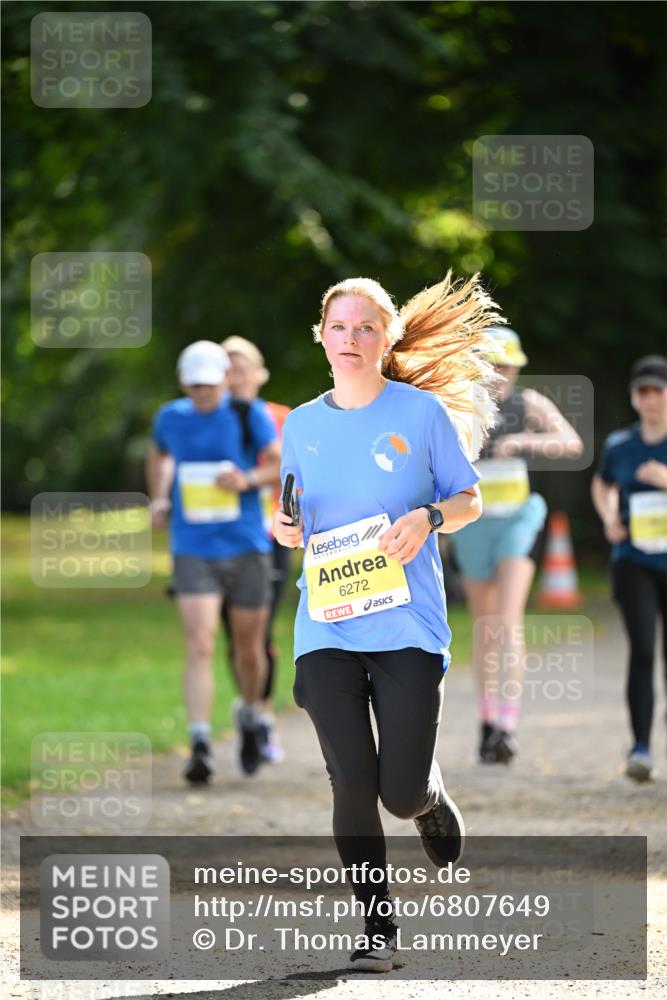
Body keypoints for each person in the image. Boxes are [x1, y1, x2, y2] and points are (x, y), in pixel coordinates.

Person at [273, 272, 500, 973]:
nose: (350, 339)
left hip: (406, 626)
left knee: (395, 793)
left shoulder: (420, 414)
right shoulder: (302, 424)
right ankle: (378, 930)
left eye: (365, 327)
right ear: (321, 336)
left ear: (387, 336)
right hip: (328, 626)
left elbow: (469, 499)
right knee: (351, 780)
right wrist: (282, 529)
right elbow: (290, 513)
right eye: (338, 327)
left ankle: (425, 792)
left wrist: (428, 516)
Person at [147, 341, 281, 783]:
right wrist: (161, 498)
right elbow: (159, 455)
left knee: (249, 648)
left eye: (210, 384)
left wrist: (246, 478)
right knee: (200, 643)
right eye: (196, 386)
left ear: (225, 379)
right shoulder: (171, 417)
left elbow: (278, 467)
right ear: (185, 383)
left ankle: (248, 713)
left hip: (245, 546)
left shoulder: (247, 414)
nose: (204, 393)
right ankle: (200, 741)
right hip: (193, 547)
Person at [450, 327, 583, 765]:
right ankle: (488, 723)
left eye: (509, 366)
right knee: (486, 625)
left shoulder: (528, 403)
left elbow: (571, 442)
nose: (502, 374)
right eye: (494, 365)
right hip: (471, 525)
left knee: (508, 620)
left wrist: (525, 440)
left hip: (518, 522)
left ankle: (508, 723)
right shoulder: (460, 406)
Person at [591, 355, 667, 782]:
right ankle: (640, 749)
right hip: (634, 560)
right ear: (634, 398)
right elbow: (602, 483)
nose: (651, 399)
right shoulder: (621, 445)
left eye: (658, 391)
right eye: (643, 392)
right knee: (641, 651)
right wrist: (607, 517)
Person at [219, 335, 291, 764]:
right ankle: (251, 708)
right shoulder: (209, 419)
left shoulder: (284, 418)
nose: (235, 374)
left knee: (260, 633)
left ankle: (261, 717)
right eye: (227, 367)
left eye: (243, 366)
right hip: (220, 540)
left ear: (260, 374)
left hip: (271, 537)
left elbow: (296, 470)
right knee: (235, 637)